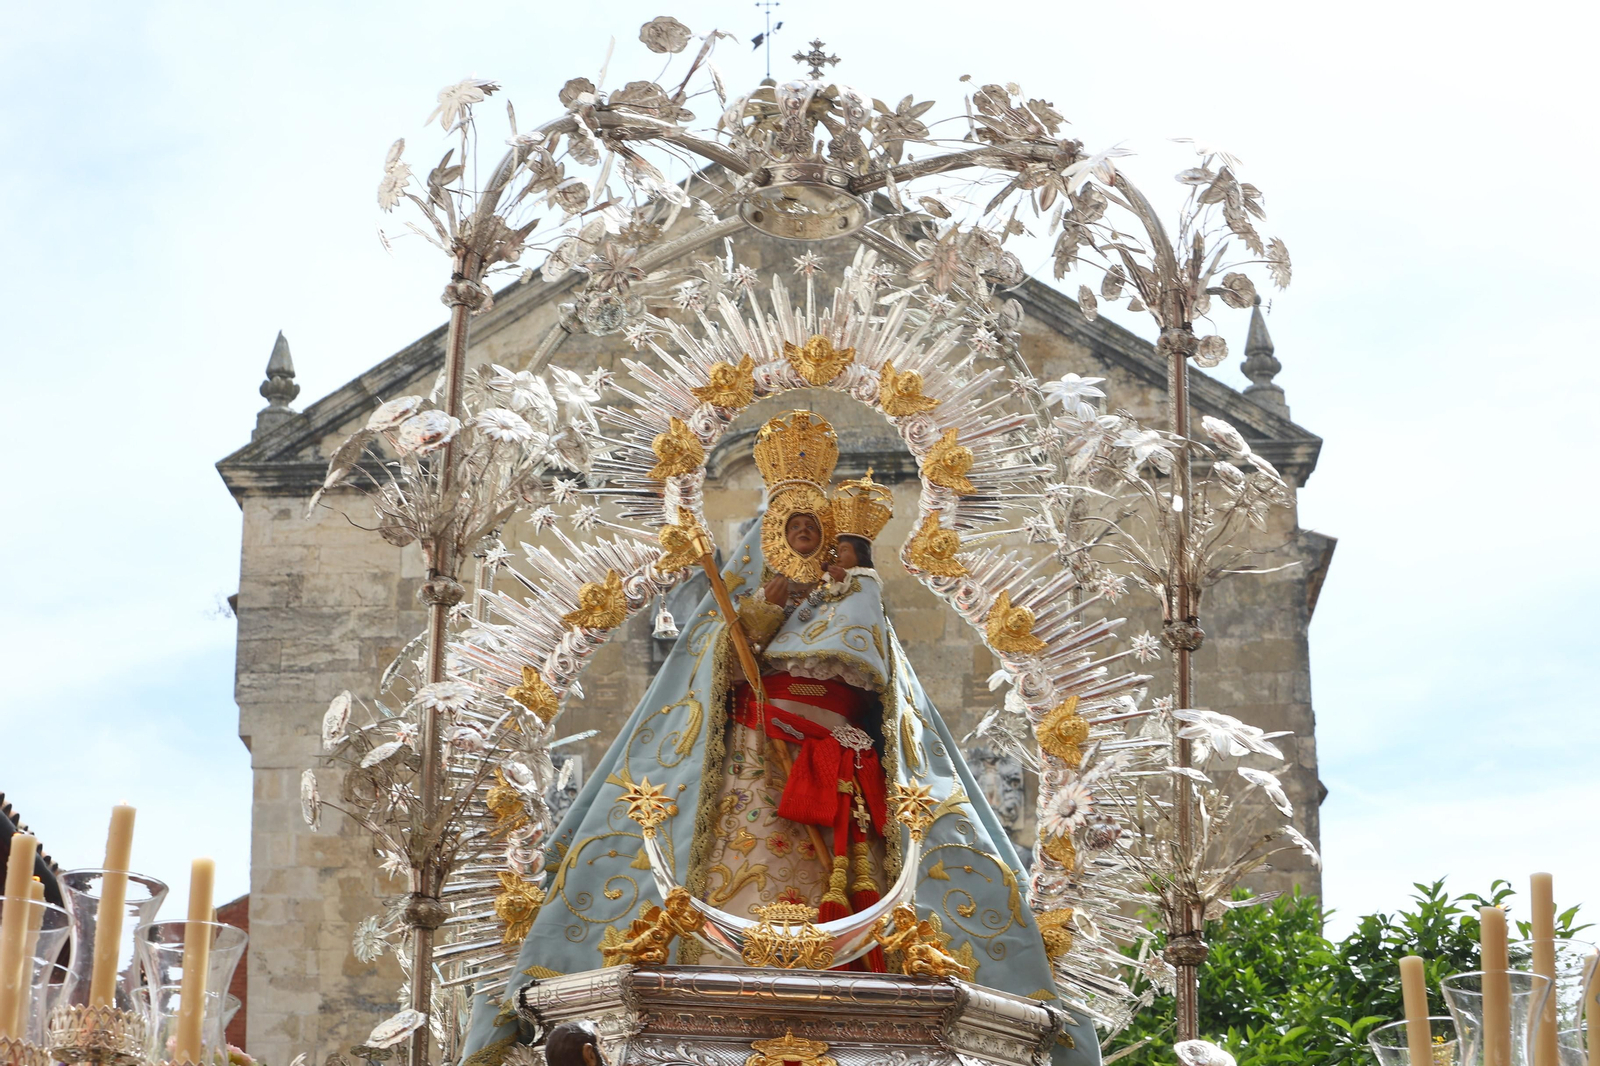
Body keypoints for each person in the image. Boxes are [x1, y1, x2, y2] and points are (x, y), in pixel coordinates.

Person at [460, 413, 1099, 1066]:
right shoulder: (742, 601)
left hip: (830, 759)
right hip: (746, 764)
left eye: (812, 531)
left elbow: (879, 685)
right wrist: (759, 617)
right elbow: (714, 666)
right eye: (792, 527)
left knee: (847, 876)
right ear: (772, 532)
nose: (803, 538)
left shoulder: (852, 596)